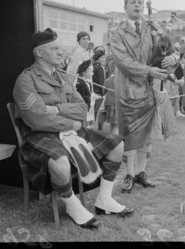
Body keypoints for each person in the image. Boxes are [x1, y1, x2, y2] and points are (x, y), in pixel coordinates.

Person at [13, 28, 134, 230]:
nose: (61, 52)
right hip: (41, 137)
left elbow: (82, 108)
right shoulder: (25, 80)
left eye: (61, 48)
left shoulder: (63, 77)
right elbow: (37, 119)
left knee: (116, 145)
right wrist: (72, 124)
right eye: (55, 49)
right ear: (39, 53)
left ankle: (104, 200)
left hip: (72, 133)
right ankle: (72, 205)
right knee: (60, 163)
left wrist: (56, 109)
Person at [109, 0, 178, 193]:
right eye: (132, 2)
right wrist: (148, 70)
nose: (137, 5)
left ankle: (140, 172)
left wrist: (171, 60)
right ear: (125, 7)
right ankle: (129, 174)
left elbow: (165, 50)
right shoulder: (117, 32)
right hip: (128, 89)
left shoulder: (152, 29)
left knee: (147, 133)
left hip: (150, 88)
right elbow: (122, 61)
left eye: (140, 2)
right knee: (129, 132)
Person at [75, 59, 100, 129]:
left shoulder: (86, 83)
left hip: (88, 111)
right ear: (84, 72)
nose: (92, 73)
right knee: (85, 128)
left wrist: (93, 96)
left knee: (89, 127)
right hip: (83, 111)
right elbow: (80, 97)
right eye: (91, 71)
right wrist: (91, 98)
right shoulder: (79, 83)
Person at [103, 59, 118, 135]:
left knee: (110, 124)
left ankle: (108, 138)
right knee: (116, 125)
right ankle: (114, 141)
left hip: (109, 104)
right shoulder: (121, 81)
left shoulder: (107, 81)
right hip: (118, 104)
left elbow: (103, 92)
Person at [92, 50, 107, 130]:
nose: (104, 59)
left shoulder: (93, 66)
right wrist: (103, 93)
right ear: (97, 58)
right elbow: (101, 82)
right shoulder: (99, 68)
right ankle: (99, 129)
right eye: (102, 58)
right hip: (98, 93)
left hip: (93, 92)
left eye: (104, 57)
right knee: (99, 113)